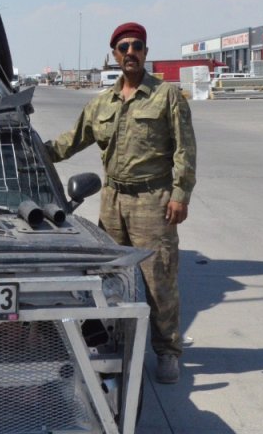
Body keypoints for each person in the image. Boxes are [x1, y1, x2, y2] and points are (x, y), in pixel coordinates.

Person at [45, 22, 197, 384]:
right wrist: (33, 152)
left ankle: (167, 352)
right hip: (112, 201)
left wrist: (180, 194)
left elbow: (184, 149)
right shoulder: (101, 103)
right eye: (123, 47)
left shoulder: (166, 96)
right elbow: (70, 141)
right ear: (114, 54)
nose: (131, 52)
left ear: (146, 53)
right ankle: (114, 343)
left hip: (152, 200)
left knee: (158, 279)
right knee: (108, 277)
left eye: (137, 46)